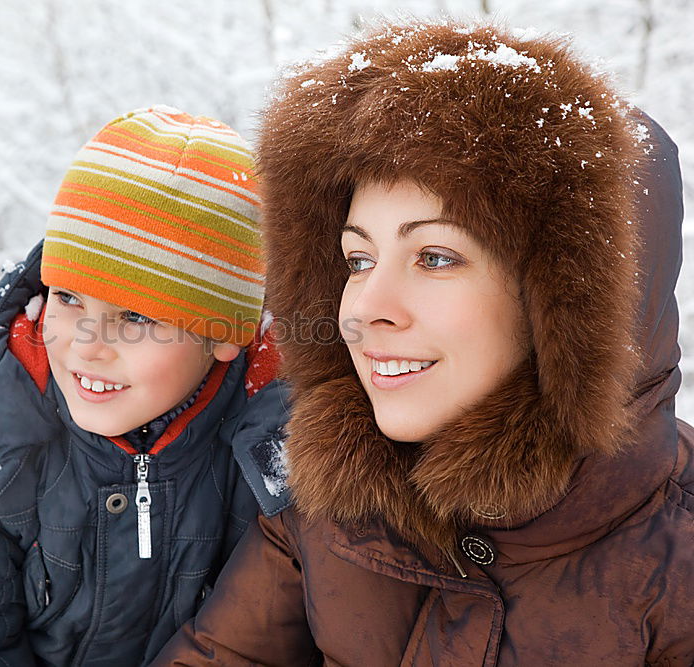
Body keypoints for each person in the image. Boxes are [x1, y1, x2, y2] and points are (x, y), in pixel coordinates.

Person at [153, 21, 693, 666]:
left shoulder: (678, 557)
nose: (365, 310)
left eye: (435, 256)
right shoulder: (333, 508)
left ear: (571, 302)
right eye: (357, 260)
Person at [0, 106, 291, 666]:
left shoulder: (279, 448)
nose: (88, 345)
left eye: (137, 318)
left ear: (223, 334)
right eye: (69, 299)